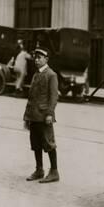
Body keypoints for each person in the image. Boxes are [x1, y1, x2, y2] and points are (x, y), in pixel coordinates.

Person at [23, 46, 60, 183]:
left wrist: (50, 114)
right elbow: (31, 97)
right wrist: (27, 117)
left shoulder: (51, 75)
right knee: (36, 144)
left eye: (39, 58)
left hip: (44, 116)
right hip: (34, 115)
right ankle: (39, 170)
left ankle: (54, 172)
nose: (36, 60)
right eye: (35, 57)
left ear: (46, 59)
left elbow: (54, 97)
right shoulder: (36, 74)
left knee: (49, 143)